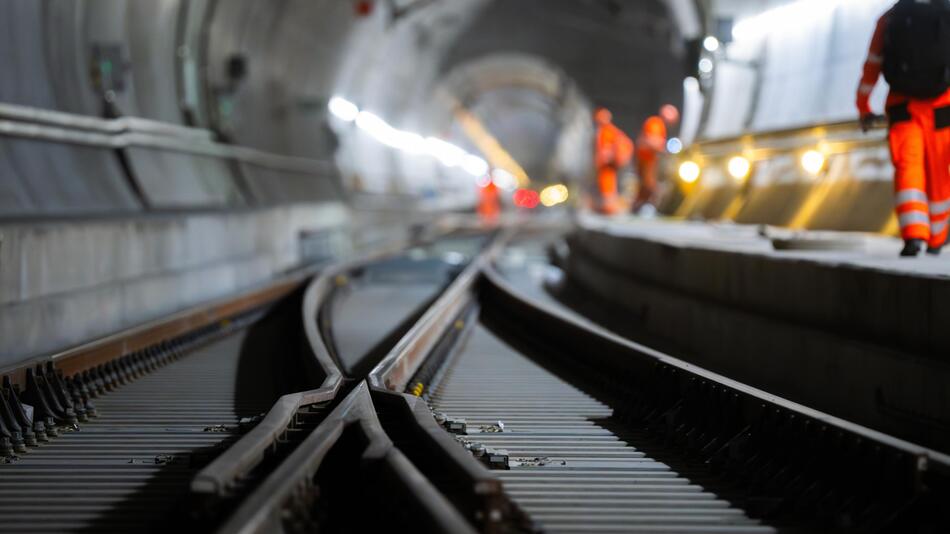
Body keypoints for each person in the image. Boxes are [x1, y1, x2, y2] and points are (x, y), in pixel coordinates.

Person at [858, 0, 950, 257]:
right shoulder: (946, 13)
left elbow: (872, 66)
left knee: (909, 171)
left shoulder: (889, 18)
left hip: (902, 107)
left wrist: (863, 106)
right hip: (942, 105)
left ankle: (914, 236)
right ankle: (938, 236)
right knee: (939, 171)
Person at [594, 107, 634, 215]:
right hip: (610, 164)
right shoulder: (604, 131)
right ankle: (608, 205)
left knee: (608, 185)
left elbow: (610, 148)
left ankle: (609, 206)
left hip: (610, 164)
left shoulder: (609, 131)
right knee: (607, 184)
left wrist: (609, 156)